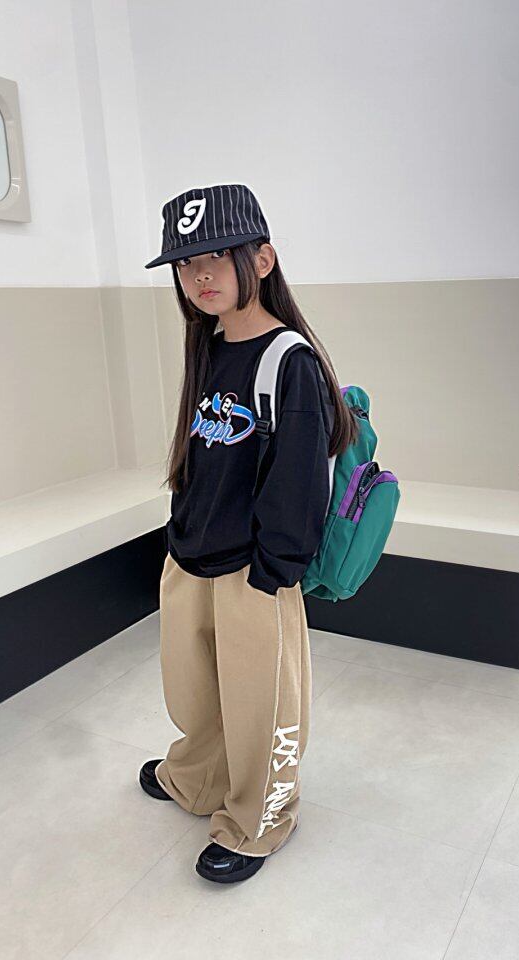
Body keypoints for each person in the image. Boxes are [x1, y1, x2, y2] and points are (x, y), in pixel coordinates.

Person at [138, 184, 359, 884]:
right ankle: (199, 776)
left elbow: (298, 482)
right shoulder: (208, 344)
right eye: (185, 263)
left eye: (216, 257)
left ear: (261, 260)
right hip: (192, 554)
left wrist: (273, 572)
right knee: (196, 691)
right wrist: (179, 533)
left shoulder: (289, 360)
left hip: (253, 571)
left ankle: (260, 817)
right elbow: (201, 455)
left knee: (261, 705)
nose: (199, 275)